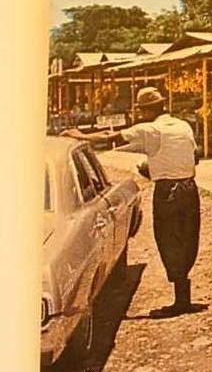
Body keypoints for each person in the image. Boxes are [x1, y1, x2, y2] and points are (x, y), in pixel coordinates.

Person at [62, 86, 201, 318]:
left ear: (146, 111)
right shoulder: (182, 125)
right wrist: (160, 165)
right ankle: (184, 296)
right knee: (188, 238)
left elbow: (110, 138)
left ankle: (180, 302)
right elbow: (194, 155)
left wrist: (80, 136)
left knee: (169, 241)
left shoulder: (149, 129)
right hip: (190, 188)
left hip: (168, 191)